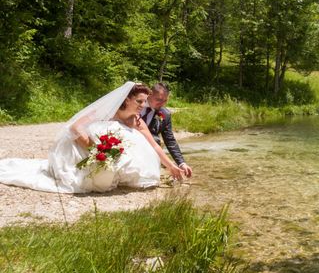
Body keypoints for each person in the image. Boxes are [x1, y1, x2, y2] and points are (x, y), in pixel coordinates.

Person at [0, 81, 184, 193]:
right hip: (84, 153)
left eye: (145, 102)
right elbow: (75, 127)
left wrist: (172, 167)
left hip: (106, 158)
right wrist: (95, 150)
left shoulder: (136, 121)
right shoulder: (106, 112)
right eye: (139, 101)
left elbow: (154, 146)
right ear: (127, 99)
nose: (143, 106)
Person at [141, 82, 193, 178]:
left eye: (165, 101)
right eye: (159, 99)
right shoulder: (136, 104)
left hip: (150, 149)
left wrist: (181, 163)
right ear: (149, 94)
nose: (162, 104)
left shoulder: (165, 114)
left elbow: (170, 140)